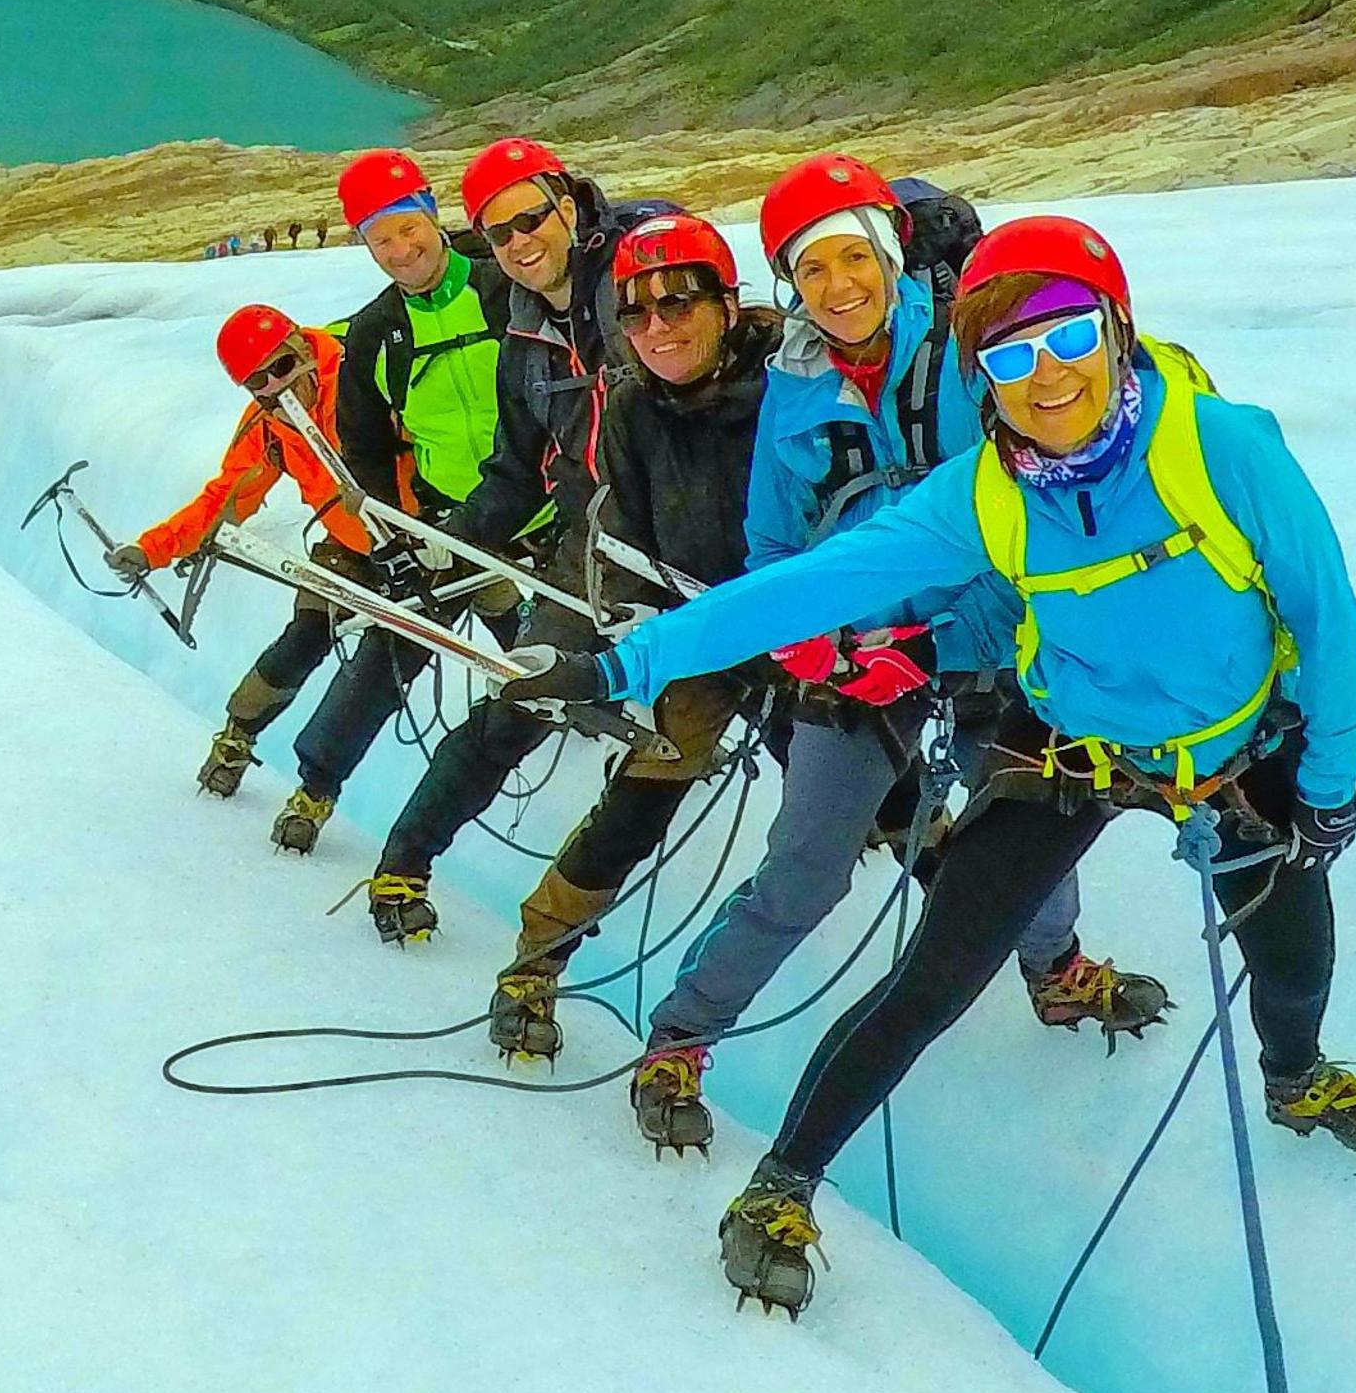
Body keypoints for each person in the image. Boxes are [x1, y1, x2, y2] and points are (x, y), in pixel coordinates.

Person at [509, 212, 1356, 1313]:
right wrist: (626, 666)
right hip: (1073, 743)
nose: (1046, 376)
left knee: (1290, 955)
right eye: (1009, 353)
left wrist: (1328, 785)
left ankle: (1295, 1076)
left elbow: (1329, 628)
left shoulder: (1224, 448)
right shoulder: (981, 492)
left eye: (1067, 333)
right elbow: (800, 589)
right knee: (935, 975)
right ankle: (784, 1181)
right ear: (979, 370)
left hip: (1241, 747)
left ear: (1118, 329)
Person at [620, 158, 1172, 1156]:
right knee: (807, 868)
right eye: (811, 268)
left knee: (1025, 828)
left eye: (852, 256)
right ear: (790, 283)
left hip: (989, 643)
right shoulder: (792, 382)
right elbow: (776, 545)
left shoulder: (976, 343)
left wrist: (925, 641)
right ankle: (681, 1036)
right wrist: (816, 646)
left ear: (889, 251)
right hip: (853, 657)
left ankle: (1054, 968)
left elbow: (1036, 504)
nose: (837, 286)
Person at [354, 138, 688, 944]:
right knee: (522, 688)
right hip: (598, 549)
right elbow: (517, 470)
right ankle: (405, 860)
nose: (519, 242)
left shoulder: (644, 282)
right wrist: (447, 549)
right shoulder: (524, 332)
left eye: (531, 218)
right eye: (499, 234)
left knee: (819, 727)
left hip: (707, 542)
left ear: (568, 205)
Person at [477, 212, 788, 1062]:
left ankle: (1043, 958)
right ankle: (535, 960)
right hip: (693, 630)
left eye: (679, 302)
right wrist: (632, 639)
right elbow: (622, 535)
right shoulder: (631, 408)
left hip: (804, 633)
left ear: (727, 304)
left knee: (888, 794)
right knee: (640, 799)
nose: (658, 327)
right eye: (638, 311)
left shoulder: (795, 390)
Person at [263, 150, 527, 854]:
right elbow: (367, 448)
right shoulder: (378, 333)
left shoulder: (510, 294)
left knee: (552, 645)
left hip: (546, 512)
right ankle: (316, 786)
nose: (401, 249)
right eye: (382, 238)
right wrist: (395, 535)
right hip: (451, 522)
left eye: (409, 228)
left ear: (433, 214)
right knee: (395, 640)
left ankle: (594, 722)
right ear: (364, 243)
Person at [109, 304, 379, 797]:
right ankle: (238, 736)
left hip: (432, 536)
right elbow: (226, 498)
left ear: (300, 343)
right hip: (351, 545)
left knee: (397, 655)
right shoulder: (268, 425)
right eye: (260, 381)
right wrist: (153, 549)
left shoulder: (366, 372)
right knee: (306, 636)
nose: (278, 385)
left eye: (282, 365)